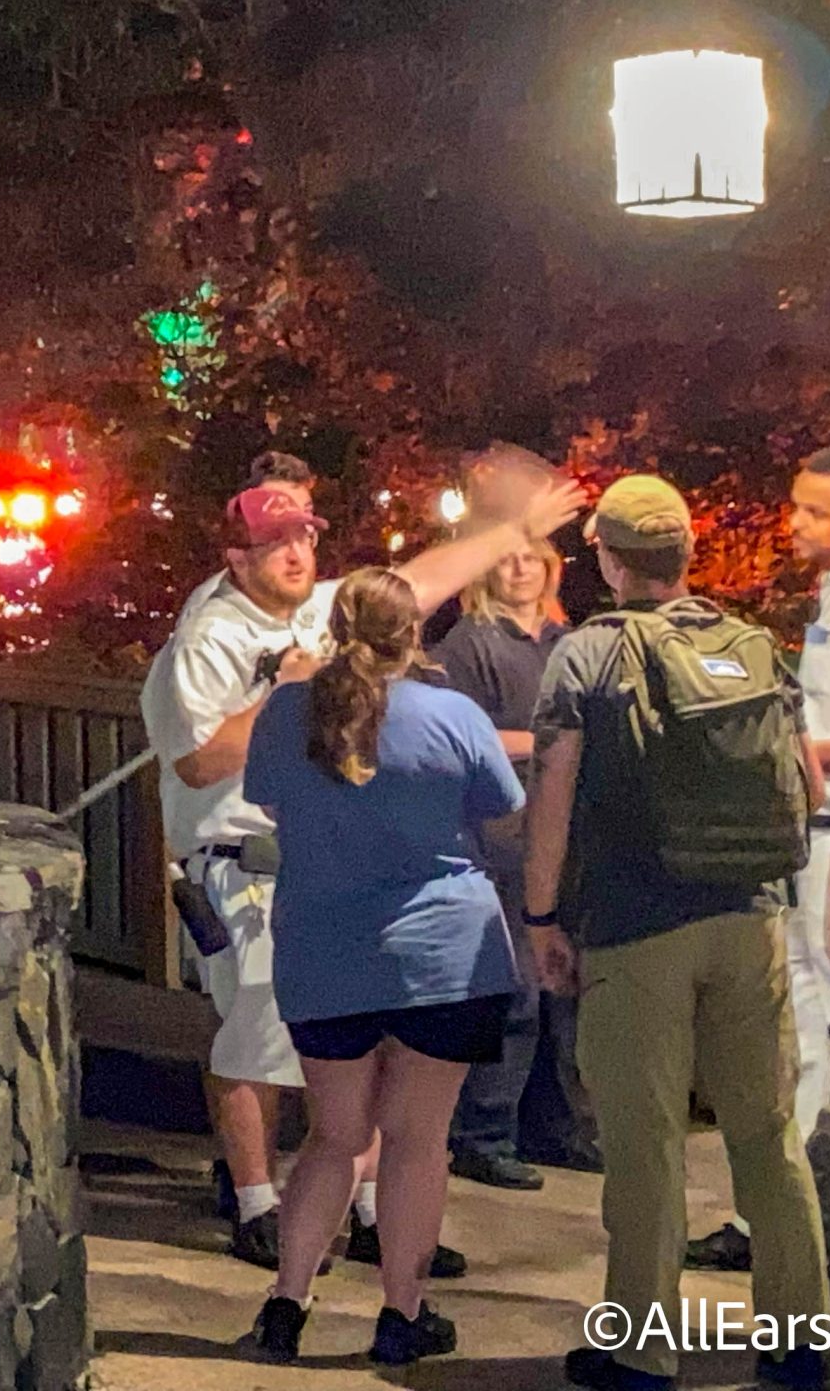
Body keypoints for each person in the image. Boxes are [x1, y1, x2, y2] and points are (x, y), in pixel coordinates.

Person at [144, 452, 585, 1270]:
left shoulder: (318, 611)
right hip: (242, 863)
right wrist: (288, 693)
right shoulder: (206, 639)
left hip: (325, 868)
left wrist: (514, 530)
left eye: (304, 537)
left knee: (366, 1045)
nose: (295, 554)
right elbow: (198, 762)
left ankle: (377, 1218)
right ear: (236, 556)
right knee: (257, 1037)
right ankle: (254, 1202)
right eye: (275, 542)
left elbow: (417, 581)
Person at [525, 475, 830, 1391]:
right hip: (749, 920)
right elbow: (808, 787)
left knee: (646, 1142)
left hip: (635, 927)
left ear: (609, 560)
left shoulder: (587, 656)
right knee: (767, 1132)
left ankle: (640, 1347)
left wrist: (542, 916)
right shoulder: (756, 646)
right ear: (688, 554)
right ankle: (797, 1340)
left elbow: (554, 793)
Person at [240, 569, 524, 1366]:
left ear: (336, 626)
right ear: (416, 630)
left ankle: (285, 1308)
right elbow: (501, 811)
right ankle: (401, 1315)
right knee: (416, 1141)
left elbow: (268, 801)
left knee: (334, 1138)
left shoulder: (289, 712)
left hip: (325, 950)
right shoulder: (454, 715)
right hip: (445, 954)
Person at [689, 445, 830, 1273]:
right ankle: (799, 1215)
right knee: (809, 1034)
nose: (795, 522)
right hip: (826, 840)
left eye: (816, 511)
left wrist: (795, 754)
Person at [431, 537, 590, 1190]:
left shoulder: (567, 641)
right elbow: (454, 729)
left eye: (533, 558)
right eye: (507, 557)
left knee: (563, 987)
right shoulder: (469, 645)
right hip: (496, 834)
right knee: (513, 988)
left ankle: (557, 1129)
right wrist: (551, 743)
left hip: (566, 835)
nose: (520, 568)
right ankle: (482, 1132)